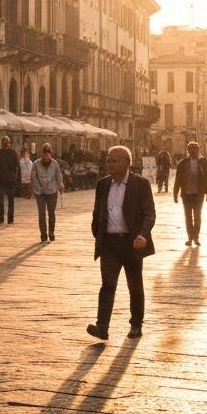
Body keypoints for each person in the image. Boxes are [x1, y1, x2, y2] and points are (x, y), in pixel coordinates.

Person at [87, 145, 156, 341]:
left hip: (131, 242)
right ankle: (102, 326)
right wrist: (98, 234)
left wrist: (142, 235)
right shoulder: (103, 184)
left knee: (135, 284)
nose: (109, 164)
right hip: (109, 244)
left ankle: (136, 324)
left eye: (114, 160)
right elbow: (97, 213)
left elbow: (149, 214)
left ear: (126, 163)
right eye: (108, 160)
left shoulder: (140, 184)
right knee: (107, 284)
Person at [173, 140, 207, 246]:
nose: (193, 151)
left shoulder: (204, 162)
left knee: (197, 216)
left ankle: (196, 237)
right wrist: (175, 194)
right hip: (186, 194)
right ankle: (190, 237)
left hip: (199, 193)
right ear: (188, 150)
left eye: (195, 149)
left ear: (198, 150)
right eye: (191, 149)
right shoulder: (183, 163)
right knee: (188, 216)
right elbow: (178, 179)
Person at [31, 143, 65, 242]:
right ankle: (43, 234)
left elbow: (58, 175)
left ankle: (51, 232)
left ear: (51, 153)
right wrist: (38, 188)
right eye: (45, 152)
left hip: (52, 191)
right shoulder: (36, 164)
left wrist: (61, 184)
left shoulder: (55, 164)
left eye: (48, 152)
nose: (46, 154)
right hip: (40, 192)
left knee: (51, 212)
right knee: (41, 213)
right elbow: (33, 177)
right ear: (41, 153)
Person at [0, 135, 20, 225]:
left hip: (7, 179)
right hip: (2, 179)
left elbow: (16, 166)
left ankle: (6, 217)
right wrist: (15, 177)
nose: (5, 144)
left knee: (6, 199)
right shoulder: (0, 152)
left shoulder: (10, 153)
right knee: (5, 200)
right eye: (4, 142)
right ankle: (5, 217)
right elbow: (16, 167)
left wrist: (15, 177)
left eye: (5, 142)